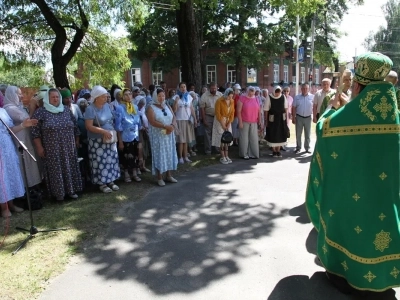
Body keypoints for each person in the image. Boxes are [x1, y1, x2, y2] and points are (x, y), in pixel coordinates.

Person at [305, 52, 400, 294]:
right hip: (385, 200)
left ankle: (346, 271)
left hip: (350, 199)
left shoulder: (339, 122)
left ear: (357, 85)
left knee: (350, 224)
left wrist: (333, 110)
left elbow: (323, 130)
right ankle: (382, 276)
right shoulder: (396, 120)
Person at [31, 88, 82, 201]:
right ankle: (59, 194)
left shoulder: (66, 110)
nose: (55, 99)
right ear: (47, 99)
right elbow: (35, 132)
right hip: (52, 148)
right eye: (53, 97)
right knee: (56, 170)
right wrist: (39, 147)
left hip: (69, 147)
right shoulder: (40, 112)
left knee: (70, 167)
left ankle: (71, 191)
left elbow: (75, 126)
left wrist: (77, 140)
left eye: (57, 97)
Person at [0, 108, 37, 217]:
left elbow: (10, 129)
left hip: (7, 146)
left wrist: (23, 125)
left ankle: (11, 204)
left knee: (10, 174)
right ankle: (3, 208)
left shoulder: (2, 111)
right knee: (1, 177)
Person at [3, 86, 42, 189]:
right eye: (18, 94)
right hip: (20, 141)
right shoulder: (10, 108)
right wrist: (32, 106)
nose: (21, 96)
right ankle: (29, 190)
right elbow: (27, 119)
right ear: (12, 95)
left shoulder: (16, 107)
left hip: (26, 139)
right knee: (26, 166)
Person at [85, 86, 120, 193]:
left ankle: (111, 180)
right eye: (103, 97)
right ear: (96, 97)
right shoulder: (90, 109)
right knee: (100, 161)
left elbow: (111, 120)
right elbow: (89, 126)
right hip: (97, 140)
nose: (106, 98)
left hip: (110, 137)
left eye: (106, 96)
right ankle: (102, 183)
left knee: (111, 160)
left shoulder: (107, 106)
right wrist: (103, 131)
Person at [146, 88, 178, 187]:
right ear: (155, 96)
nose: (161, 98)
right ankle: (159, 177)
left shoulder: (167, 105)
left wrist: (172, 126)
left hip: (169, 135)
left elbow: (173, 117)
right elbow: (152, 122)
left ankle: (168, 175)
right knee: (160, 154)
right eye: (159, 96)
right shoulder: (151, 107)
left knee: (169, 153)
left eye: (163, 96)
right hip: (158, 136)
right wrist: (165, 126)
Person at [115, 88, 142, 183]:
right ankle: (126, 174)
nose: (128, 96)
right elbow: (118, 126)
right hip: (125, 137)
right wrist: (120, 141)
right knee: (126, 156)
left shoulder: (135, 107)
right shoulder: (120, 108)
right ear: (122, 96)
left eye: (130, 94)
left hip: (135, 135)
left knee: (135, 155)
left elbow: (138, 123)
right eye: (126, 94)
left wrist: (139, 138)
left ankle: (134, 173)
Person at [173, 82, 197, 164]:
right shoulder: (176, 97)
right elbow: (174, 110)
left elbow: (192, 108)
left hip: (187, 120)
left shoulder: (189, 96)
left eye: (184, 87)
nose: (183, 88)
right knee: (181, 140)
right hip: (180, 120)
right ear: (179, 88)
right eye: (181, 87)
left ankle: (185, 156)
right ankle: (180, 157)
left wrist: (195, 118)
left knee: (186, 140)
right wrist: (176, 102)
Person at [237, 86, 262, 159]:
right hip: (244, 121)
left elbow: (259, 111)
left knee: (254, 138)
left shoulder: (256, 99)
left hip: (254, 121)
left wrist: (259, 121)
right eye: (250, 93)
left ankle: (253, 154)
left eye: (252, 93)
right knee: (244, 138)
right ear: (247, 92)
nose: (251, 95)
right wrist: (240, 122)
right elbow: (238, 111)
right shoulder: (242, 98)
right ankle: (244, 154)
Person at [264, 86, 288, 158]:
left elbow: (286, 108)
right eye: (276, 92)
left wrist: (286, 118)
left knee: (280, 133)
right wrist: (266, 120)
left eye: (279, 92)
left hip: (281, 118)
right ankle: (274, 150)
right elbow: (266, 110)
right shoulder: (269, 97)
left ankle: (278, 150)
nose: (277, 94)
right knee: (273, 134)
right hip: (272, 119)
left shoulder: (283, 97)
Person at [212, 88, 235, 164]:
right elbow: (218, 114)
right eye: (229, 96)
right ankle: (222, 156)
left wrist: (228, 124)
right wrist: (223, 124)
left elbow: (232, 113)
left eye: (231, 96)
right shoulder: (219, 101)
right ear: (226, 94)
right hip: (220, 121)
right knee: (222, 139)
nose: (230, 98)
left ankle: (227, 155)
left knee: (227, 139)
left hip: (228, 121)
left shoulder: (232, 101)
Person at [200, 82, 222, 155]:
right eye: (212, 88)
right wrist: (204, 119)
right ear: (210, 88)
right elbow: (202, 108)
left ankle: (217, 148)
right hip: (208, 115)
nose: (214, 90)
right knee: (207, 133)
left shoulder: (220, 95)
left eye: (215, 88)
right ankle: (208, 150)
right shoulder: (204, 95)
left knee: (217, 132)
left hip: (217, 116)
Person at [292, 84, 314, 154]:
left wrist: (314, 117)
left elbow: (314, 107)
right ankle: (298, 147)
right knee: (298, 134)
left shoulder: (312, 97)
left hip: (308, 117)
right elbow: (294, 107)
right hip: (299, 117)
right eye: (303, 88)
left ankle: (307, 148)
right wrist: (293, 117)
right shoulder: (297, 97)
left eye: (306, 88)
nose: (305, 90)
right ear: (301, 89)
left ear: (308, 89)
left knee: (307, 134)